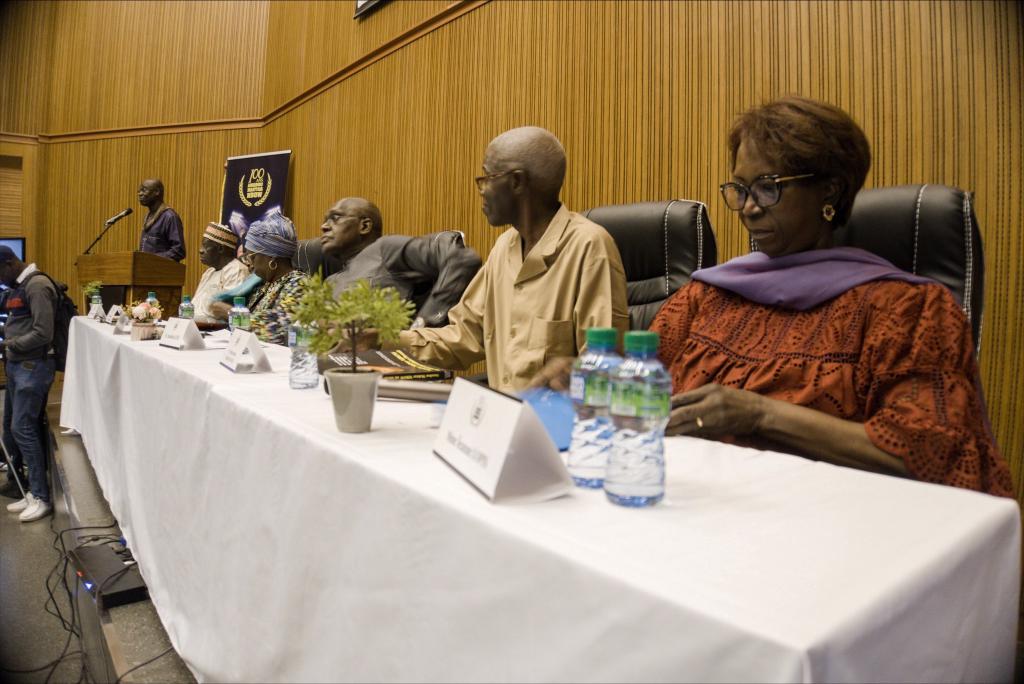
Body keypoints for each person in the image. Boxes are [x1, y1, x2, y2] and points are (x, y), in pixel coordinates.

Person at [533, 96, 1013, 497]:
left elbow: (927, 453)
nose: (747, 208)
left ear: (831, 191)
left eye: (768, 188)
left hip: (830, 531)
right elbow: (653, 395)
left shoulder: (906, 310)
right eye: (739, 189)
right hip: (689, 508)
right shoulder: (707, 297)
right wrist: (590, 377)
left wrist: (761, 413)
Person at [399, 126, 629, 393]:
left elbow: (604, 368)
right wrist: (386, 339)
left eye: (487, 177)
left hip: (556, 426)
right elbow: (463, 337)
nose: (481, 190)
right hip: (501, 420)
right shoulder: (503, 247)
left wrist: (573, 370)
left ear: (517, 182)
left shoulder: (590, 247)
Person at [317, 197, 481, 328]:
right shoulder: (331, 282)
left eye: (335, 218)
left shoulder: (385, 249)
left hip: (386, 362)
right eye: (324, 220)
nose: (324, 226)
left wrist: (424, 322)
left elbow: (462, 259)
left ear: (364, 226)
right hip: (334, 364)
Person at [0, 246, 57, 522]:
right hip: (17, 365)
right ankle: (32, 492)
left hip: (33, 366)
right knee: (17, 426)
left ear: (10, 263)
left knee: (22, 428)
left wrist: (10, 344)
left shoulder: (38, 285)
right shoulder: (18, 287)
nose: (1, 281)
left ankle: (42, 497)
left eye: (0, 273)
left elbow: (43, 332)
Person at [211, 212, 304, 346]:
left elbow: (281, 329)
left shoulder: (299, 284)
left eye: (252, 257)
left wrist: (231, 314)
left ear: (271, 258)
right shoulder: (263, 284)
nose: (249, 263)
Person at [192, 222, 250, 322]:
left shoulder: (236, 270)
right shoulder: (209, 272)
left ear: (220, 249)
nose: (200, 250)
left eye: (205, 246)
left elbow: (225, 312)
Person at [137, 178, 186, 261]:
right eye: (139, 191)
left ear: (157, 192)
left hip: (161, 271)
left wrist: (151, 259)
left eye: (144, 190)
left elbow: (178, 251)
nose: (140, 194)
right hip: (145, 270)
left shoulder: (169, 217)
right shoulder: (148, 216)